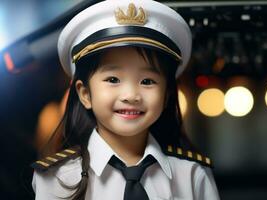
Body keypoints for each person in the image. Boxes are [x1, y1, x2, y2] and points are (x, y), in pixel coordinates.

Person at [31, 0, 220, 199]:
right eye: (113, 79)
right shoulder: (56, 178)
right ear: (85, 94)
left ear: (166, 95)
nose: (131, 95)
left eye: (147, 81)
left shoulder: (192, 175)